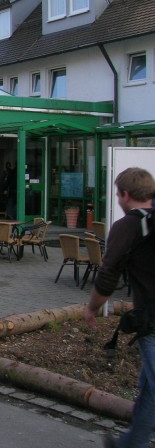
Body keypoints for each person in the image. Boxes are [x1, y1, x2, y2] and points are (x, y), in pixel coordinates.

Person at [85, 168, 155, 448]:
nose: (117, 199)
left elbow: (108, 275)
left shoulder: (128, 226)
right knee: (150, 391)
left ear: (126, 195)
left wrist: (92, 307)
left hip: (152, 321)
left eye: (117, 194)